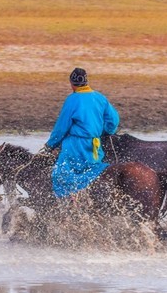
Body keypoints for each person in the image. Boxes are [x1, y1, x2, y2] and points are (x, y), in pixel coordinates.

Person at [43, 67, 120, 198]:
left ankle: (69, 201)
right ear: (86, 82)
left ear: (72, 84)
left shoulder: (72, 100)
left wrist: (50, 145)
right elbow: (113, 121)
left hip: (75, 145)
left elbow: (61, 128)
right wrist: (101, 132)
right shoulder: (100, 98)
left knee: (61, 174)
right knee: (93, 169)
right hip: (94, 146)